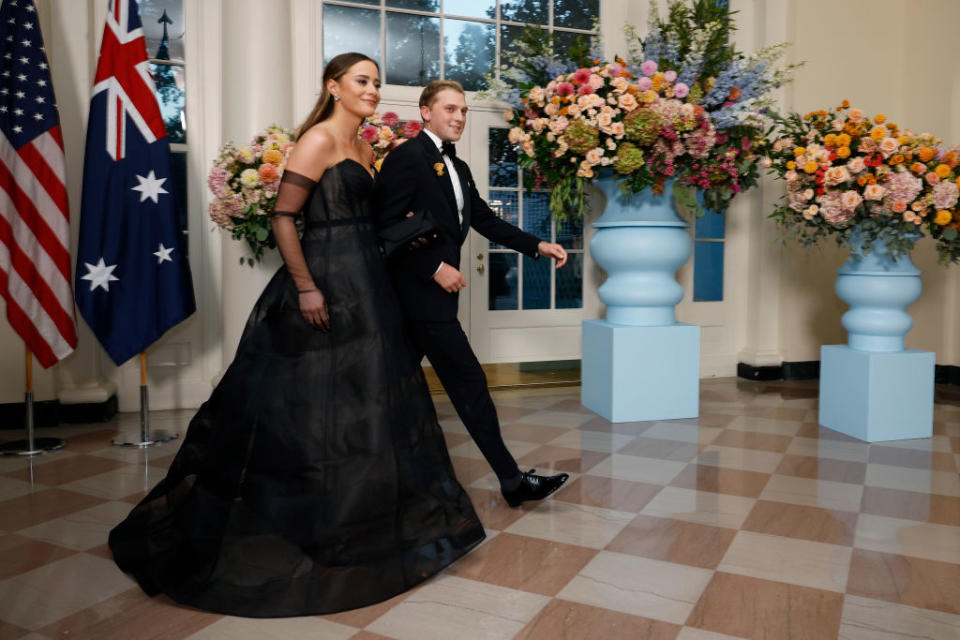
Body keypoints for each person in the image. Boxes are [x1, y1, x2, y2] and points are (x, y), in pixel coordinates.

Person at [108, 53, 485, 618]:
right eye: (362, 81)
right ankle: (303, 519)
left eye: (377, 83)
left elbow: (381, 219)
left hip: (369, 282)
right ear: (333, 87)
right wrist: (307, 287)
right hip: (327, 279)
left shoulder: (363, 145)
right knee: (304, 408)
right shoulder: (319, 140)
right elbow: (286, 216)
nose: (373, 90)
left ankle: (354, 523)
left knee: (364, 404)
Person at [376, 80, 571, 508]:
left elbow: (483, 219)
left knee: (387, 390)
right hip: (416, 298)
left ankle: (355, 476)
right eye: (450, 109)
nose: (459, 117)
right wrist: (433, 268)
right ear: (425, 112)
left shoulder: (458, 168)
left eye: (463, 110)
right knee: (470, 386)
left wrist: (536, 245)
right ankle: (511, 481)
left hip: (432, 302)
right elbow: (384, 228)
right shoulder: (406, 157)